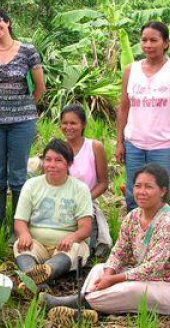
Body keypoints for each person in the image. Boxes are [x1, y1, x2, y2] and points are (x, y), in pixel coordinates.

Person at [40, 164, 170, 324]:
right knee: (99, 269)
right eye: (138, 186)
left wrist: (113, 280)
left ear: (163, 191)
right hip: (151, 280)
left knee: (132, 289)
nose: (141, 192)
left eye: (148, 187)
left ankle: (76, 302)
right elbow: (119, 252)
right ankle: (88, 308)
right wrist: (108, 274)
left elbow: (152, 267)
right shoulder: (133, 216)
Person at [0, 6, 46, 229]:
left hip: (22, 123)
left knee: (18, 176)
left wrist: (23, 108)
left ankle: (19, 226)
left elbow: (40, 87)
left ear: (7, 22)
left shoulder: (28, 51)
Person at [115, 21, 170, 211]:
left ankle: (163, 236)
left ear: (165, 43)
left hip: (164, 145)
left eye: (154, 40)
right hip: (134, 144)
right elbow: (123, 108)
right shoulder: (131, 70)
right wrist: (120, 142)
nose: (148, 45)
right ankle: (135, 236)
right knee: (134, 193)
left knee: (164, 194)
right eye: (144, 40)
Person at [14, 139, 92, 289]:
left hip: (66, 245)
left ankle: (42, 274)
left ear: (68, 164)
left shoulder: (80, 188)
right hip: (36, 243)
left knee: (76, 249)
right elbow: (20, 221)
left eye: (58, 160)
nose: (52, 165)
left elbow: (85, 228)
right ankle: (33, 276)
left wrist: (72, 237)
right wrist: (24, 234)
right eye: (48, 160)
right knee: (20, 245)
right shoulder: (31, 185)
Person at [60, 104, 112, 257]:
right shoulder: (59, 148)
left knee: (86, 250)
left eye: (73, 123)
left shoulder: (94, 147)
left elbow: (103, 183)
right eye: (65, 123)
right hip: (61, 203)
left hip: (87, 203)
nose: (68, 127)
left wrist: (84, 199)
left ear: (83, 125)